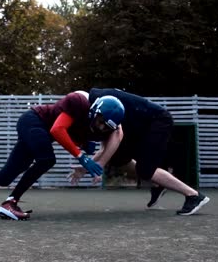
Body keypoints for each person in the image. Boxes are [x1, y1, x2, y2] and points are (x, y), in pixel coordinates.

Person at [0, 91, 125, 220]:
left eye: (105, 127)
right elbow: (57, 129)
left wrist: (86, 147)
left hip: (39, 133)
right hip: (32, 121)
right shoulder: (78, 101)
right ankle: (10, 203)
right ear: (96, 109)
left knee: (4, 177)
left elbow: (72, 135)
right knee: (47, 159)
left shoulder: (95, 127)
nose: (100, 128)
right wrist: (81, 157)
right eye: (101, 121)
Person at [69, 88, 210, 215]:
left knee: (145, 170)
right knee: (118, 158)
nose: (99, 127)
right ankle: (158, 184)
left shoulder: (105, 105)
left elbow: (116, 136)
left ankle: (193, 195)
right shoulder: (98, 110)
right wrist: (85, 168)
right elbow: (106, 150)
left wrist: (98, 166)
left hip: (158, 121)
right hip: (138, 128)